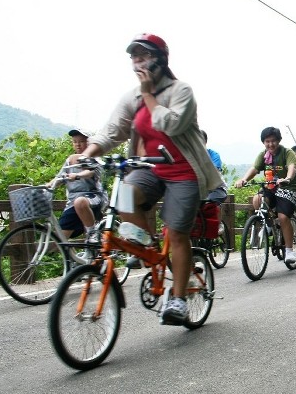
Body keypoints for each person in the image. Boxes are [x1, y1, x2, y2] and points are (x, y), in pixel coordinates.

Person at [77, 33, 223, 325]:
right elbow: (112, 131)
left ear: (159, 60)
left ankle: (179, 299)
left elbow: (171, 123)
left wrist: (147, 95)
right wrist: (88, 153)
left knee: (177, 233)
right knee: (125, 194)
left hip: (183, 172)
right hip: (150, 169)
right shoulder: (131, 97)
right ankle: (149, 248)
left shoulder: (181, 91)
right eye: (134, 56)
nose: (137, 61)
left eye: (143, 55)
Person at [235, 127, 296, 264]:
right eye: (267, 141)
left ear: (279, 140)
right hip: (271, 187)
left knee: (283, 217)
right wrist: (244, 179)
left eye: (273, 141)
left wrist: (287, 178)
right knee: (257, 200)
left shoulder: (288, 153)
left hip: (288, 187)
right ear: (263, 142)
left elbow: (292, 168)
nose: (271, 144)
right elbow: (255, 169)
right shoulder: (263, 155)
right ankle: (268, 224)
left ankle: (289, 250)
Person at [49, 129, 108, 245]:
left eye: (81, 141)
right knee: (58, 242)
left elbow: (90, 172)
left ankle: (92, 233)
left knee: (80, 202)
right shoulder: (70, 160)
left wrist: (77, 175)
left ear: (89, 143)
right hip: (72, 202)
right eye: (75, 141)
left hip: (93, 198)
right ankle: (74, 260)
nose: (78, 144)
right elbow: (58, 178)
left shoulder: (94, 159)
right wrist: (47, 186)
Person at [201, 130, 228, 205]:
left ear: (205, 142)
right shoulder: (191, 157)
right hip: (200, 189)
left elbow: (213, 174)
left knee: (207, 204)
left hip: (217, 189)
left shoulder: (214, 155)